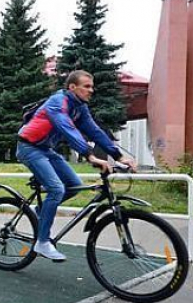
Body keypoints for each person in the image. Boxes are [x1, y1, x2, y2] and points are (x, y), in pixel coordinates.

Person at [16, 70, 137, 262]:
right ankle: (42, 242)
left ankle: (41, 212)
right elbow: (67, 128)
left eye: (92, 86)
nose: (92, 90)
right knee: (56, 189)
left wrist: (119, 155)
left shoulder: (80, 108)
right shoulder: (58, 101)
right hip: (29, 147)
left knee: (73, 185)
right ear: (72, 87)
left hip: (46, 149)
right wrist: (89, 156)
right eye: (87, 86)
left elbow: (95, 132)